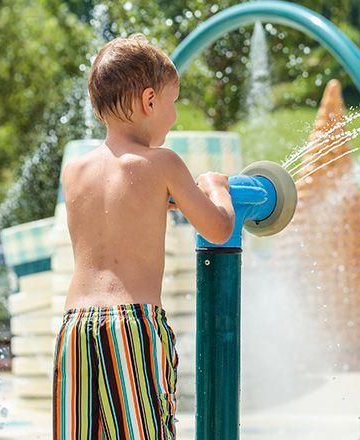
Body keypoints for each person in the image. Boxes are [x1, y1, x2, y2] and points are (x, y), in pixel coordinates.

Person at [52, 35, 235, 439]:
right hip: (131, 324)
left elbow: (114, 219)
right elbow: (218, 228)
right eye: (173, 103)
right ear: (150, 101)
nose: (173, 116)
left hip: (74, 327)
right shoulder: (163, 163)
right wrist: (216, 186)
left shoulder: (75, 172)